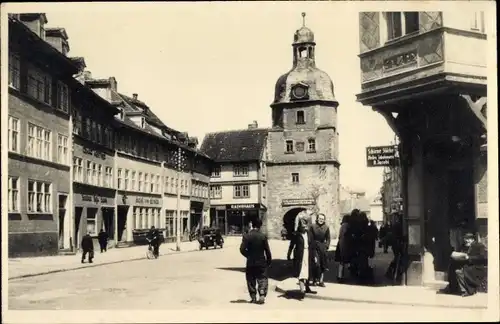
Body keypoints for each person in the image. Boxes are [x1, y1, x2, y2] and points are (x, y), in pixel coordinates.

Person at [438, 232, 487, 297]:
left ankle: (467, 290)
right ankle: (452, 288)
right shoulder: (463, 246)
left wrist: (469, 258)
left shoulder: (479, 246)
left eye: (469, 239)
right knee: (452, 267)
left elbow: (482, 257)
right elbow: (459, 254)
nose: (467, 241)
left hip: (476, 268)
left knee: (459, 271)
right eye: (465, 239)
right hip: (465, 265)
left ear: (473, 240)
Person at [239, 218, 272, 304]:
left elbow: (242, 249)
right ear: (260, 226)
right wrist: (269, 261)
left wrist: (248, 255)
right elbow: (267, 250)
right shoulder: (263, 236)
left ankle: (253, 297)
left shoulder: (247, 236)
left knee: (250, 279)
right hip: (261, 261)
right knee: (263, 278)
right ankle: (262, 292)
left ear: (252, 225)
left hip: (251, 262)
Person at [289, 211, 317, 297]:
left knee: (308, 271)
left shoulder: (309, 234)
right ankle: (302, 290)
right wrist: (289, 254)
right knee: (301, 271)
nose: (304, 227)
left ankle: (307, 288)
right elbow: (291, 245)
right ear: (299, 226)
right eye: (302, 226)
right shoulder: (296, 235)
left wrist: (315, 255)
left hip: (308, 253)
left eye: (305, 226)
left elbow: (312, 245)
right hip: (300, 255)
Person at [309, 213, 331, 287]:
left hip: (322, 248)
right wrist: (312, 247)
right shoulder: (312, 226)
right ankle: (315, 279)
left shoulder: (326, 227)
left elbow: (328, 238)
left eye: (322, 219)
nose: (321, 220)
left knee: (323, 264)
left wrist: (326, 246)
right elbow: (310, 238)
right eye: (320, 218)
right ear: (317, 219)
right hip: (314, 247)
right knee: (316, 264)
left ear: (324, 220)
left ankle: (321, 281)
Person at [335, 214, 352, 282]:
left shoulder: (342, 225)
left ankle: (340, 276)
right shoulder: (347, 225)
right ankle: (341, 276)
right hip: (344, 244)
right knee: (343, 261)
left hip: (341, 244)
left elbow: (340, 236)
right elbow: (346, 236)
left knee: (341, 262)